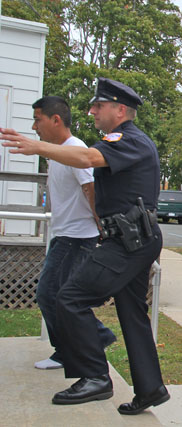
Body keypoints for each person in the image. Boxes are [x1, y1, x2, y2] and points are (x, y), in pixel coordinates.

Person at [1, 77, 169, 414]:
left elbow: (89, 160)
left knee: (68, 298)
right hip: (130, 238)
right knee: (133, 314)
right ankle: (150, 389)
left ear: (120, 110)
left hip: (129, 243)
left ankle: (95, 377)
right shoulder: (117, 140)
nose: (92, 111)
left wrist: (38, 148)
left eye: (99, 105)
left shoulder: (129, 139)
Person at [30, 96, 116, 370]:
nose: (34, 127)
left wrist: (99, 224)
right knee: (58, 295)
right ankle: (70, 348)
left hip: (78, 237)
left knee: (50, 293)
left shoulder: (75, 149)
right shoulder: (58, 152)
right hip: (65, 234)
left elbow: (89, 186)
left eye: (38, 119)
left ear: (56, 120)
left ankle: (88, 340)